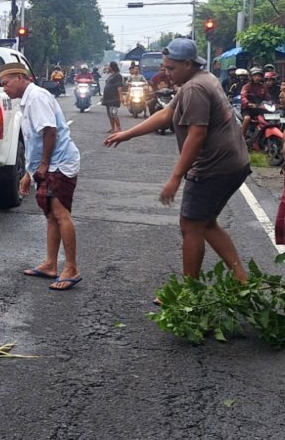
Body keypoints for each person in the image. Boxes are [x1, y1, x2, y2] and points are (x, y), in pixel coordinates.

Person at [104, 38, 250, 303]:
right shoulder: (201, 80)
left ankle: (187, 294)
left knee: (190, 225)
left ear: (187, 64)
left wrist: (175, 178)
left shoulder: (195, 88)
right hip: (233, 163)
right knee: (206, 222)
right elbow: (166, 114)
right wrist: (127, 134)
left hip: (213, 167)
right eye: (165, 67)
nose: (166, 73)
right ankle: (243, 280)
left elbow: (196, 134)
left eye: (171, 68)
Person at [0, 62, 82, 291]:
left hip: (59, 163)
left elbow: (49, 130)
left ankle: (72, 268)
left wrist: (44, 165)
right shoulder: (28, 100)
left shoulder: (36, 97)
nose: (4, 88)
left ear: (20, 77)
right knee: (51, 215)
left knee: (60, 213)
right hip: (48, 165)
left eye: (6, 83)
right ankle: (50, 264)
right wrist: (29, 173)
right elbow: (35, 141)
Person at [240, 67, 272, 139]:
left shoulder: (263, 87)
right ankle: (241, 138)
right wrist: (248, 103)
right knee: (247, 118)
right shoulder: (246, 86)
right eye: (255, 76)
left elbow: (268, 97)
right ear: (251, 77)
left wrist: (274, 103)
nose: (257, 78)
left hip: (260, 108)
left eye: (259, 76)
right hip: (248, 109)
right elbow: (243, 96)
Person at [102, 61, 123, 134]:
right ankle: (113, 128)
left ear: (112, 67)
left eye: (109, 66)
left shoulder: (118, 76)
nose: (108, 67)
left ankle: (119, 128)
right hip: (108, 98)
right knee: (109, 114)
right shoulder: (111, 76)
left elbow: (119, 87)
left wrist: (121, 97)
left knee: (113, 113)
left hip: (114, 98)